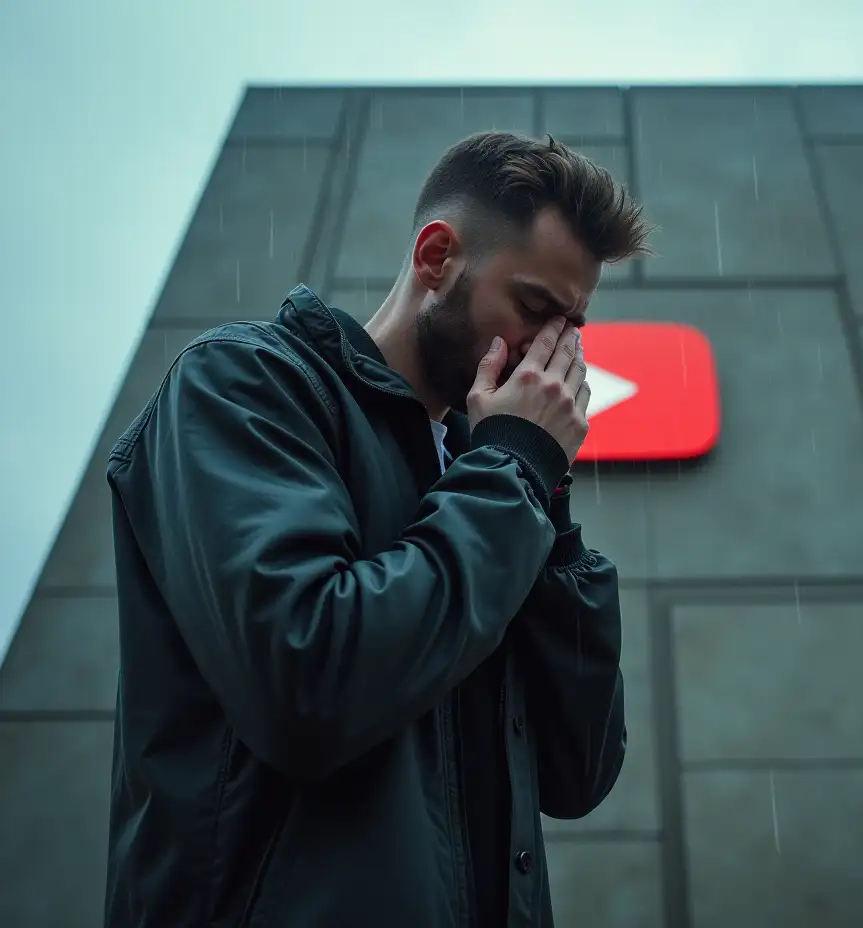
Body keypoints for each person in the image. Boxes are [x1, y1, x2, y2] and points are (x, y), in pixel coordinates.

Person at [103, 130, 655, 927]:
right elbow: (311, 680)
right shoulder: (245, 385)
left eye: (572, 328)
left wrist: (543, 494)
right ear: (437, 259)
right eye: (535, 309)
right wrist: (513, 474)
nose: (550, 352)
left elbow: (577, 773)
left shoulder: (492, 482)